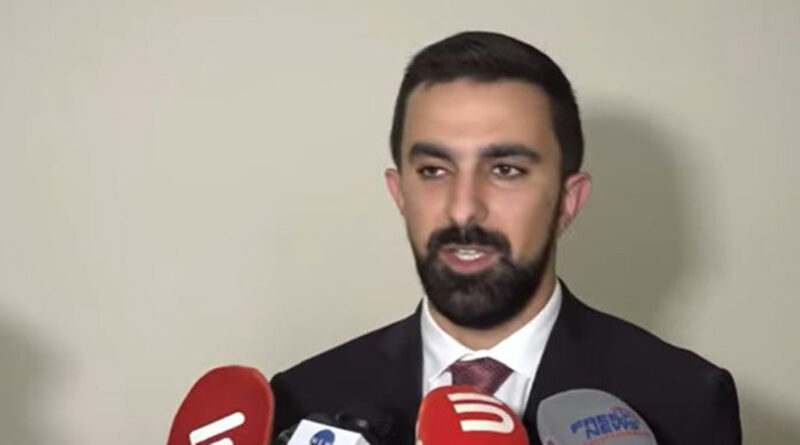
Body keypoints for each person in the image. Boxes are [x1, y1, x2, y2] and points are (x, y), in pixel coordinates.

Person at [270, 31, 742, 445]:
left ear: (568, 201)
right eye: (433, 170)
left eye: (506, 170)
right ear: (400, 194)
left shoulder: (683, 401)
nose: (463, 208)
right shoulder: (302, 398)